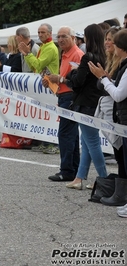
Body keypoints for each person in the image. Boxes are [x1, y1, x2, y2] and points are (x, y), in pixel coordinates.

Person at [64, 24, 108, 190]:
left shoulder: (88, 57)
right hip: (96, 103)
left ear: (89, 38)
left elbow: (77, 82)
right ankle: (79, 177)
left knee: (92, 142)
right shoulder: (103, 56)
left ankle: (103, 179)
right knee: (87, 142)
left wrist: (72, 72)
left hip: (85, 104)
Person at [88, 29, 127, 210]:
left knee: (123, 158)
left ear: (120, 47)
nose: (108, 44)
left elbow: (118, 94)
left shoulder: (124, 66)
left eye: (112, 41)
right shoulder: (117, 63)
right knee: (122, 158)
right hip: (119, 117)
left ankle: (122, 196)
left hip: (121, 117)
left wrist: (104, 79)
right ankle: (121, 195)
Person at [42, 26, 84, 182]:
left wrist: (58, 79)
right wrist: (51, 82)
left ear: (73, 37)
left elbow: (77, 81)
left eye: (64, 36)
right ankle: (72, 169)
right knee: (70, 135)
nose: (60, 39)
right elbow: (64, 78)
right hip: (65, 95)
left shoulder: (77, 55)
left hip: (71, 97)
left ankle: (67, 170)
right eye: (58, 37)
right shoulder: (65, 54)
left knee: (66, 134)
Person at [19, 23, 59, 154]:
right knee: (43, 114)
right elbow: (34, 68)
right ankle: (45, 141)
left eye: (43, 32)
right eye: (39, 32)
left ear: (49, 34)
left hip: (50, 84)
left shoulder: (50, 47)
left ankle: (53, 143)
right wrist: (27, 55)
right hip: (43, 82)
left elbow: (39, 64)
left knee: (50, 114)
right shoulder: (44, 46)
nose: (40, 34)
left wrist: (28, 54)